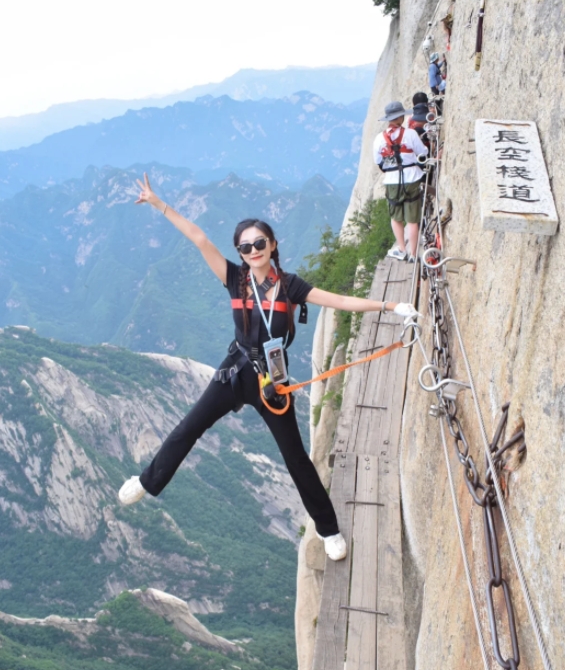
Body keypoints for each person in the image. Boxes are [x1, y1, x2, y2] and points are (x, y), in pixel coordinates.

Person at [118, 174, 420, 562]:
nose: (253, 250)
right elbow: (198, 238)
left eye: (260, 243)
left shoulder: (290, 286)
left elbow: (341, 301)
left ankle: (328, 529)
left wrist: (391, 307)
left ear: (272, 245)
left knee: (295, 458)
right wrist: (159, 204)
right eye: (245, 246)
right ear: (240, 252)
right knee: (188, 427)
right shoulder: (234, 279)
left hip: (272, 383)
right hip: (235, 371)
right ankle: (146, 482)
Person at [373, 101, 428, 263]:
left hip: (391, 180)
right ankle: (413, 254)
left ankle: (402, 250)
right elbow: (423, 152)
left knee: (396, 217)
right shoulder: (410, 134)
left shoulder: (379, 139)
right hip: (412, 177)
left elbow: (378, 161)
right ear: (401, 117)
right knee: (412, 219)